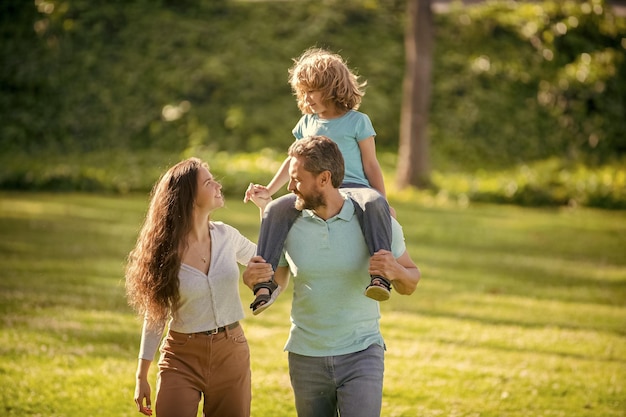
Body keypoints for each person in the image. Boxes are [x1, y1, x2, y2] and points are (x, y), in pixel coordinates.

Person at [244, 135, 421, 417]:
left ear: (324, 178)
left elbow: (411, 281)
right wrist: (253, 278)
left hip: (362, 353)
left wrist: (395, 271)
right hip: (305, 356)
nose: (289, 188)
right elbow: (276, 280)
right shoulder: (287, 222)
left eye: (297, 180)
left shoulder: (375, 219)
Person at [244, 47, 396, 314]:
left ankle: (380, 277)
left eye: (311, 91)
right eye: (302, 92)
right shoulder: (307, 123)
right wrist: (269, 189)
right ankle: (265, 280)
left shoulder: (358, 122)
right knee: (274, 209)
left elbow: (371, 163)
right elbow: (293, 160)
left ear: (331, 87)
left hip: (354, 189)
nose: (306, 98)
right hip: (313, 188)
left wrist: (383, 200)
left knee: (373, 202)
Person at [125, 157, 257, 417]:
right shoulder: (164, 252)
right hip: (181, 357)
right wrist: (142, 375)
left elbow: (267, 259)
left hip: (231, 351)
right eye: (208, 182)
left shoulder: (227, 236)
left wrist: (266, 208)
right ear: (189, 196)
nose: (218, 185)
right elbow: (156, 314)